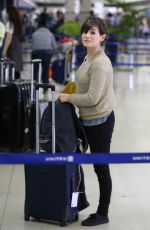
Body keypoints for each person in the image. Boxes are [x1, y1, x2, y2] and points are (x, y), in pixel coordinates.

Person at [59, 16, 115, 226]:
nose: (87, 35)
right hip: (87, 119)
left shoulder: (100, 62)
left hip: (99, 120)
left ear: (102, 37)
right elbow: (84, 83)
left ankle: (103, 213)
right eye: (85, 31)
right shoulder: (88, 57)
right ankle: (76, 203)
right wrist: (71, 88)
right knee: (79, 162)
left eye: (93, 32)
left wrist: (68, 98)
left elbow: (93, 98)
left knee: (101, 168)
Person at [31, 12, 57, 90]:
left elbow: (32, 46)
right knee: (45, 71)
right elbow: (54, 47)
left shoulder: (34, 33)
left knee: (35, 70)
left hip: (36, 53)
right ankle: (45, 87)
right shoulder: (50, 33)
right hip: (47, 53)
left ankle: (34, 86)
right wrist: (51, 55)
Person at [2, 5, 23, 79]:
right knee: (16, 70)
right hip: (17, 48)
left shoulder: (9, 23)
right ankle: (17, 89)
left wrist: (4, 50)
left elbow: (9, 37)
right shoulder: (18, 23)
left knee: (10, 70)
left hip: (12, 49)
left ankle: (11, 89)